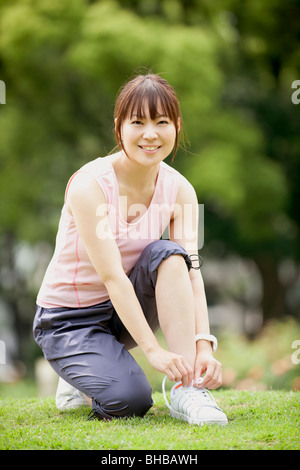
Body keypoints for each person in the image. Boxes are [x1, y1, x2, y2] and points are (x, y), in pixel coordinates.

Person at [33, 73, 228, 425]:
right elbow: (112, 277)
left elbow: (191, 270)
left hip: (122, 312)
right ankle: (80, 376)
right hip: (67, 320)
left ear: (177, 125)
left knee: (170, 255)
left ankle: (189, 391)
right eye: (137, 122)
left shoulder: (180, 190)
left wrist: (203, 345)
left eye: (162, 122)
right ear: (118, 126)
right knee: (131, 399)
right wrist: (152, 351)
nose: (150, 133)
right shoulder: (89, 185)